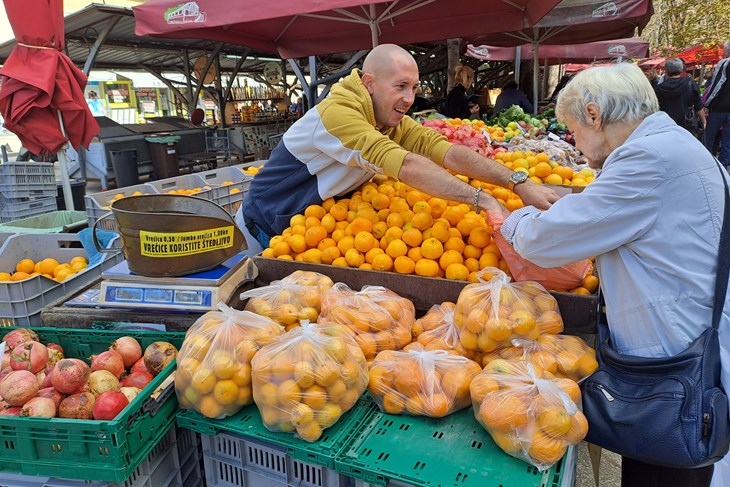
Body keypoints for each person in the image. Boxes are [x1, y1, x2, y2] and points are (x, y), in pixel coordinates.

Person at [479, 63, 729, 487]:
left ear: (594, 115)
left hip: (675, 360)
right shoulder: (674, 145)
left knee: (664, 461)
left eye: (574, 129)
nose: (575, 145)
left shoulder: (648, 158)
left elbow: (545, 241)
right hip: (687, 338)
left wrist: (508, 218)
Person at [237, 44, 559, 254]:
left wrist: (518, 182)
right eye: (400, 87)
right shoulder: (335, 114)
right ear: (370, 84)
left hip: (312, 232)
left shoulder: (385, 117)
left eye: (414, 88)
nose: (409, 98)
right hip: (265, 230)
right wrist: (483, 199)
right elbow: (403, 165)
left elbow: (441, 149)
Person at [653, 58, 705, 137]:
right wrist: (703, 120)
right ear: (681, 69)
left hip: (666, 124)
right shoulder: (689, 82)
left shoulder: (659, 88)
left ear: (666, 71)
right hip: (687, 123)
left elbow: (656, 107)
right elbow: (698, 104)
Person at [703, 42, 730, 167]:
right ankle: (723, 166)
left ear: (728, 51)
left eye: (724, 51)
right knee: (727, 141)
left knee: (709, 137)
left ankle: (707, 164)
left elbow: (717, 85)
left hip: (720, 108)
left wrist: (707, 104)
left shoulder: (724, 63)